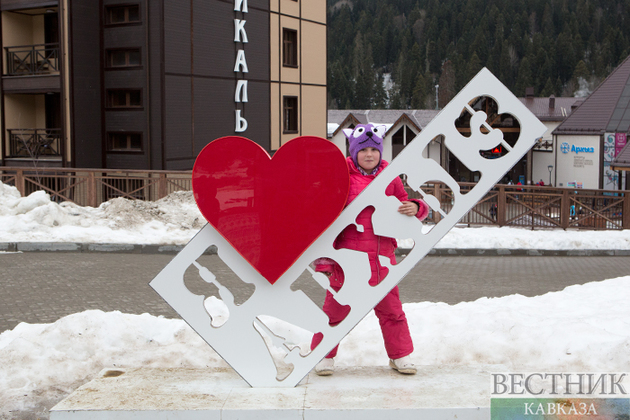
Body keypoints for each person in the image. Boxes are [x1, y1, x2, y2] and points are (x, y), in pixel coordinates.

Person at [312, 123, 429, 376]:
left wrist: (416, 207)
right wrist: (325, 261)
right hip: (347, 260)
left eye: (373, 150)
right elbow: (324, 217)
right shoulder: (341, 175)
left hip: (382, 259)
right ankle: (323, 355)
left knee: (392, 311)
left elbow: (404, 204)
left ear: (380, 152)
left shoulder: (390, 177)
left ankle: (401, 356)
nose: (369, 154)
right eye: (362, 149)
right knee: (335, 310)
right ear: (353, 152)